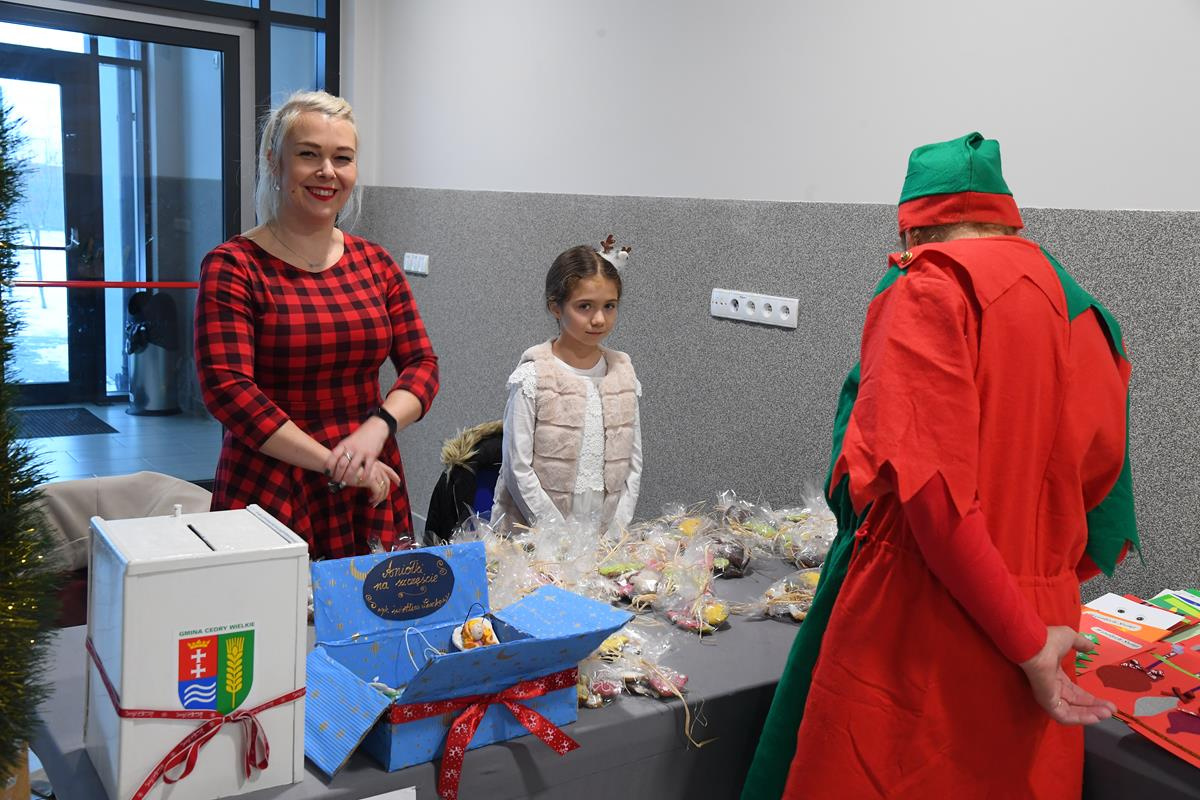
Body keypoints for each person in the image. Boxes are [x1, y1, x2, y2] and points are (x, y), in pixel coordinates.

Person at [742, 132, 1139, 799]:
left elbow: (934, 500)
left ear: (915, 227)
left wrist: (1024, 641)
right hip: (1045, 614)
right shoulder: (1092, 317)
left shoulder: (929, 288)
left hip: (926, 617)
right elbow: (1104, 504)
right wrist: (1037, 607)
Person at [195, 90, 439, 559]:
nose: (328, 171)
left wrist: (379, 427)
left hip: (368, 479)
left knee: (372, 602)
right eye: (309, 154)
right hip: (272, 481)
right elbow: (228, 390)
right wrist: (335, 462)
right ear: (275, 162)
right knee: (274, 605)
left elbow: (422, 364)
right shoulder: (235, 266)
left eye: (342, 158)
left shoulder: (375, 263)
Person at [490, 237, 642, 537]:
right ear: (556, 307)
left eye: (609, 306)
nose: (599, 319)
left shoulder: (622, 373)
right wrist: (558, 535)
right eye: (584, 306)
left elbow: (633, 464)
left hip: (600, 530)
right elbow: (517, 467)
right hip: (536, 532)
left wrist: (616, 528)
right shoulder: (535, 375)